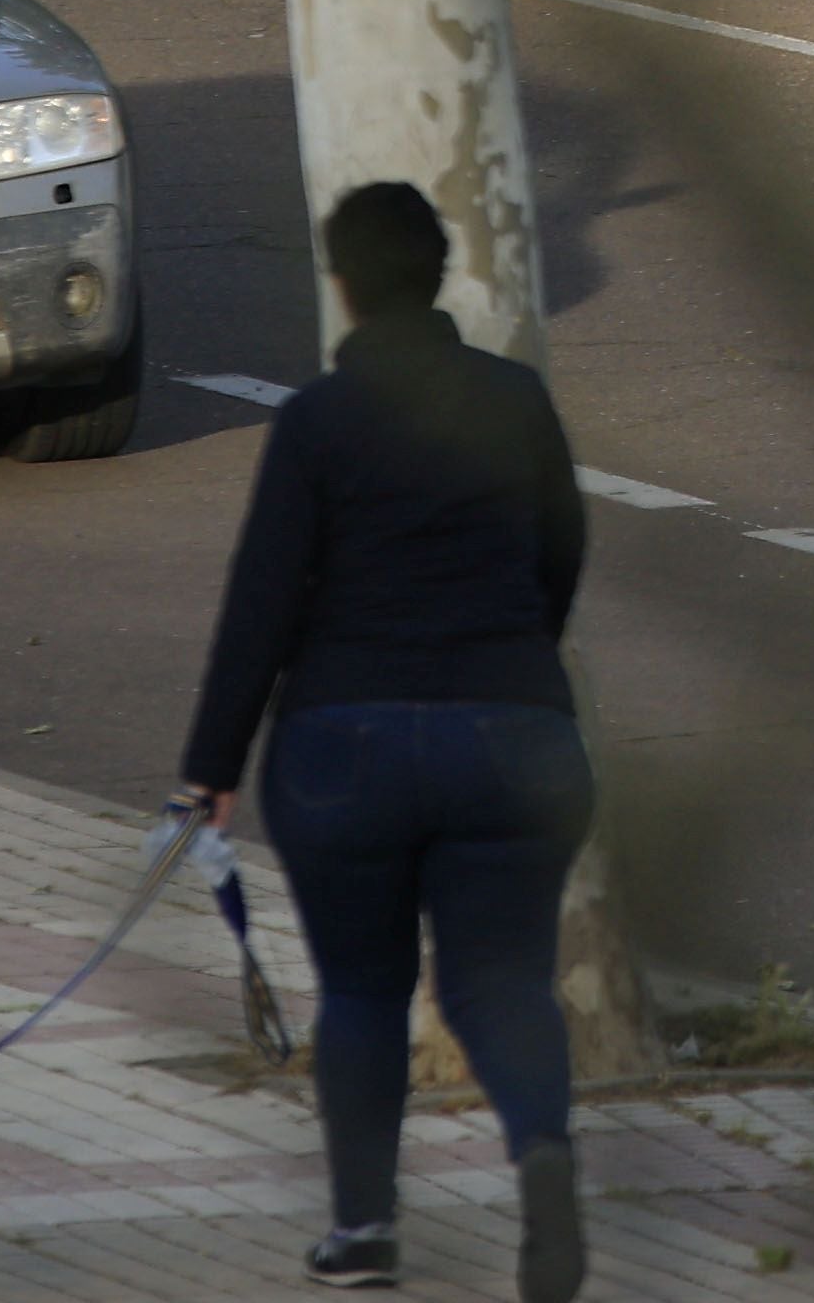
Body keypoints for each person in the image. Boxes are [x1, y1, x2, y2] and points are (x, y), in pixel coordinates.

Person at [177, 183, 597, 1302]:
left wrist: (211, 764)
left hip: (343, 744)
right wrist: (511, 671)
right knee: (503, 978)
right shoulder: (515, 398)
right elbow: (563, 553)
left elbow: (261, 602)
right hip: (515, 734)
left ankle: (363, 1229)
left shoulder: (317, 420)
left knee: (362, 988)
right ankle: (543, 1156)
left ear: (345, 283)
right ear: (441, 269)